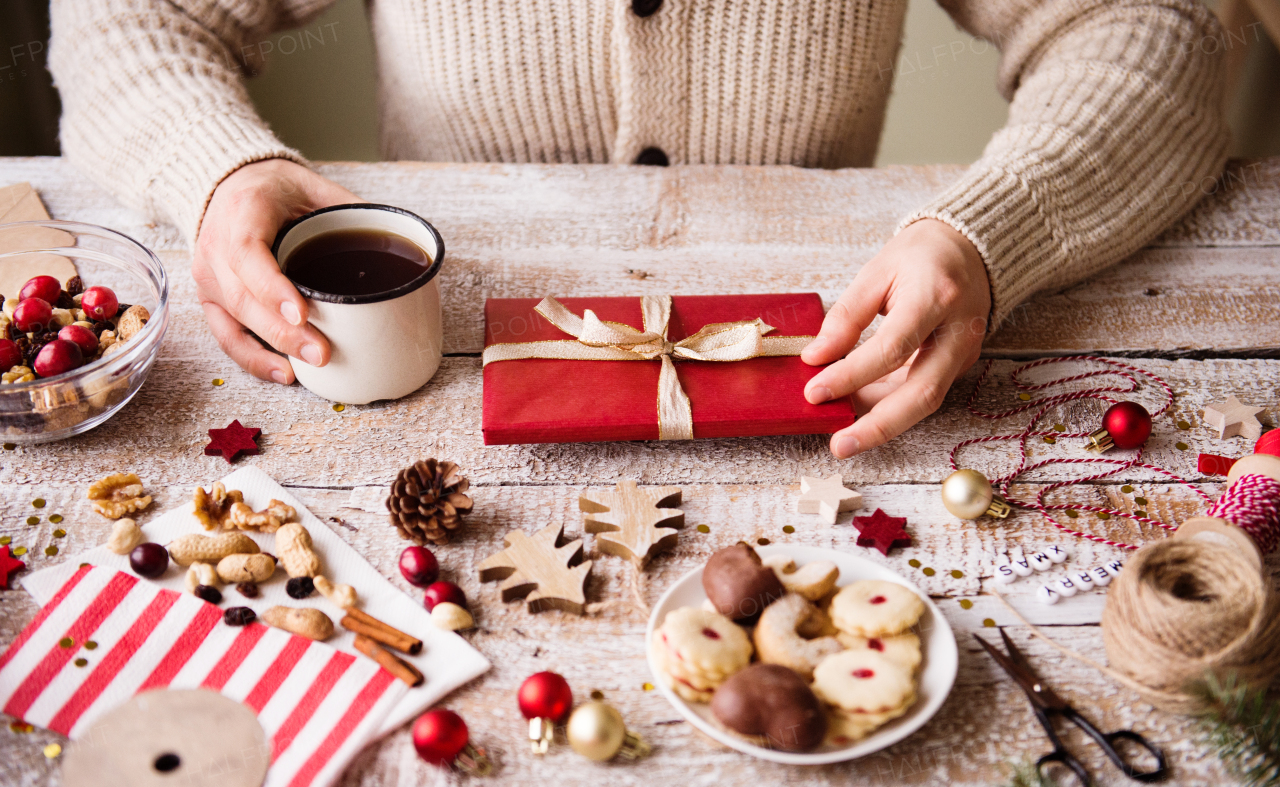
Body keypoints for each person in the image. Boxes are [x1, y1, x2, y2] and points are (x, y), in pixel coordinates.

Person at [48, 0, 1229, 458]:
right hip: (408, 415)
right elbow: (126, 20)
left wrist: (990, 231)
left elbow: (1160, 26)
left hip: (836, 396)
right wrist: (218, 172)